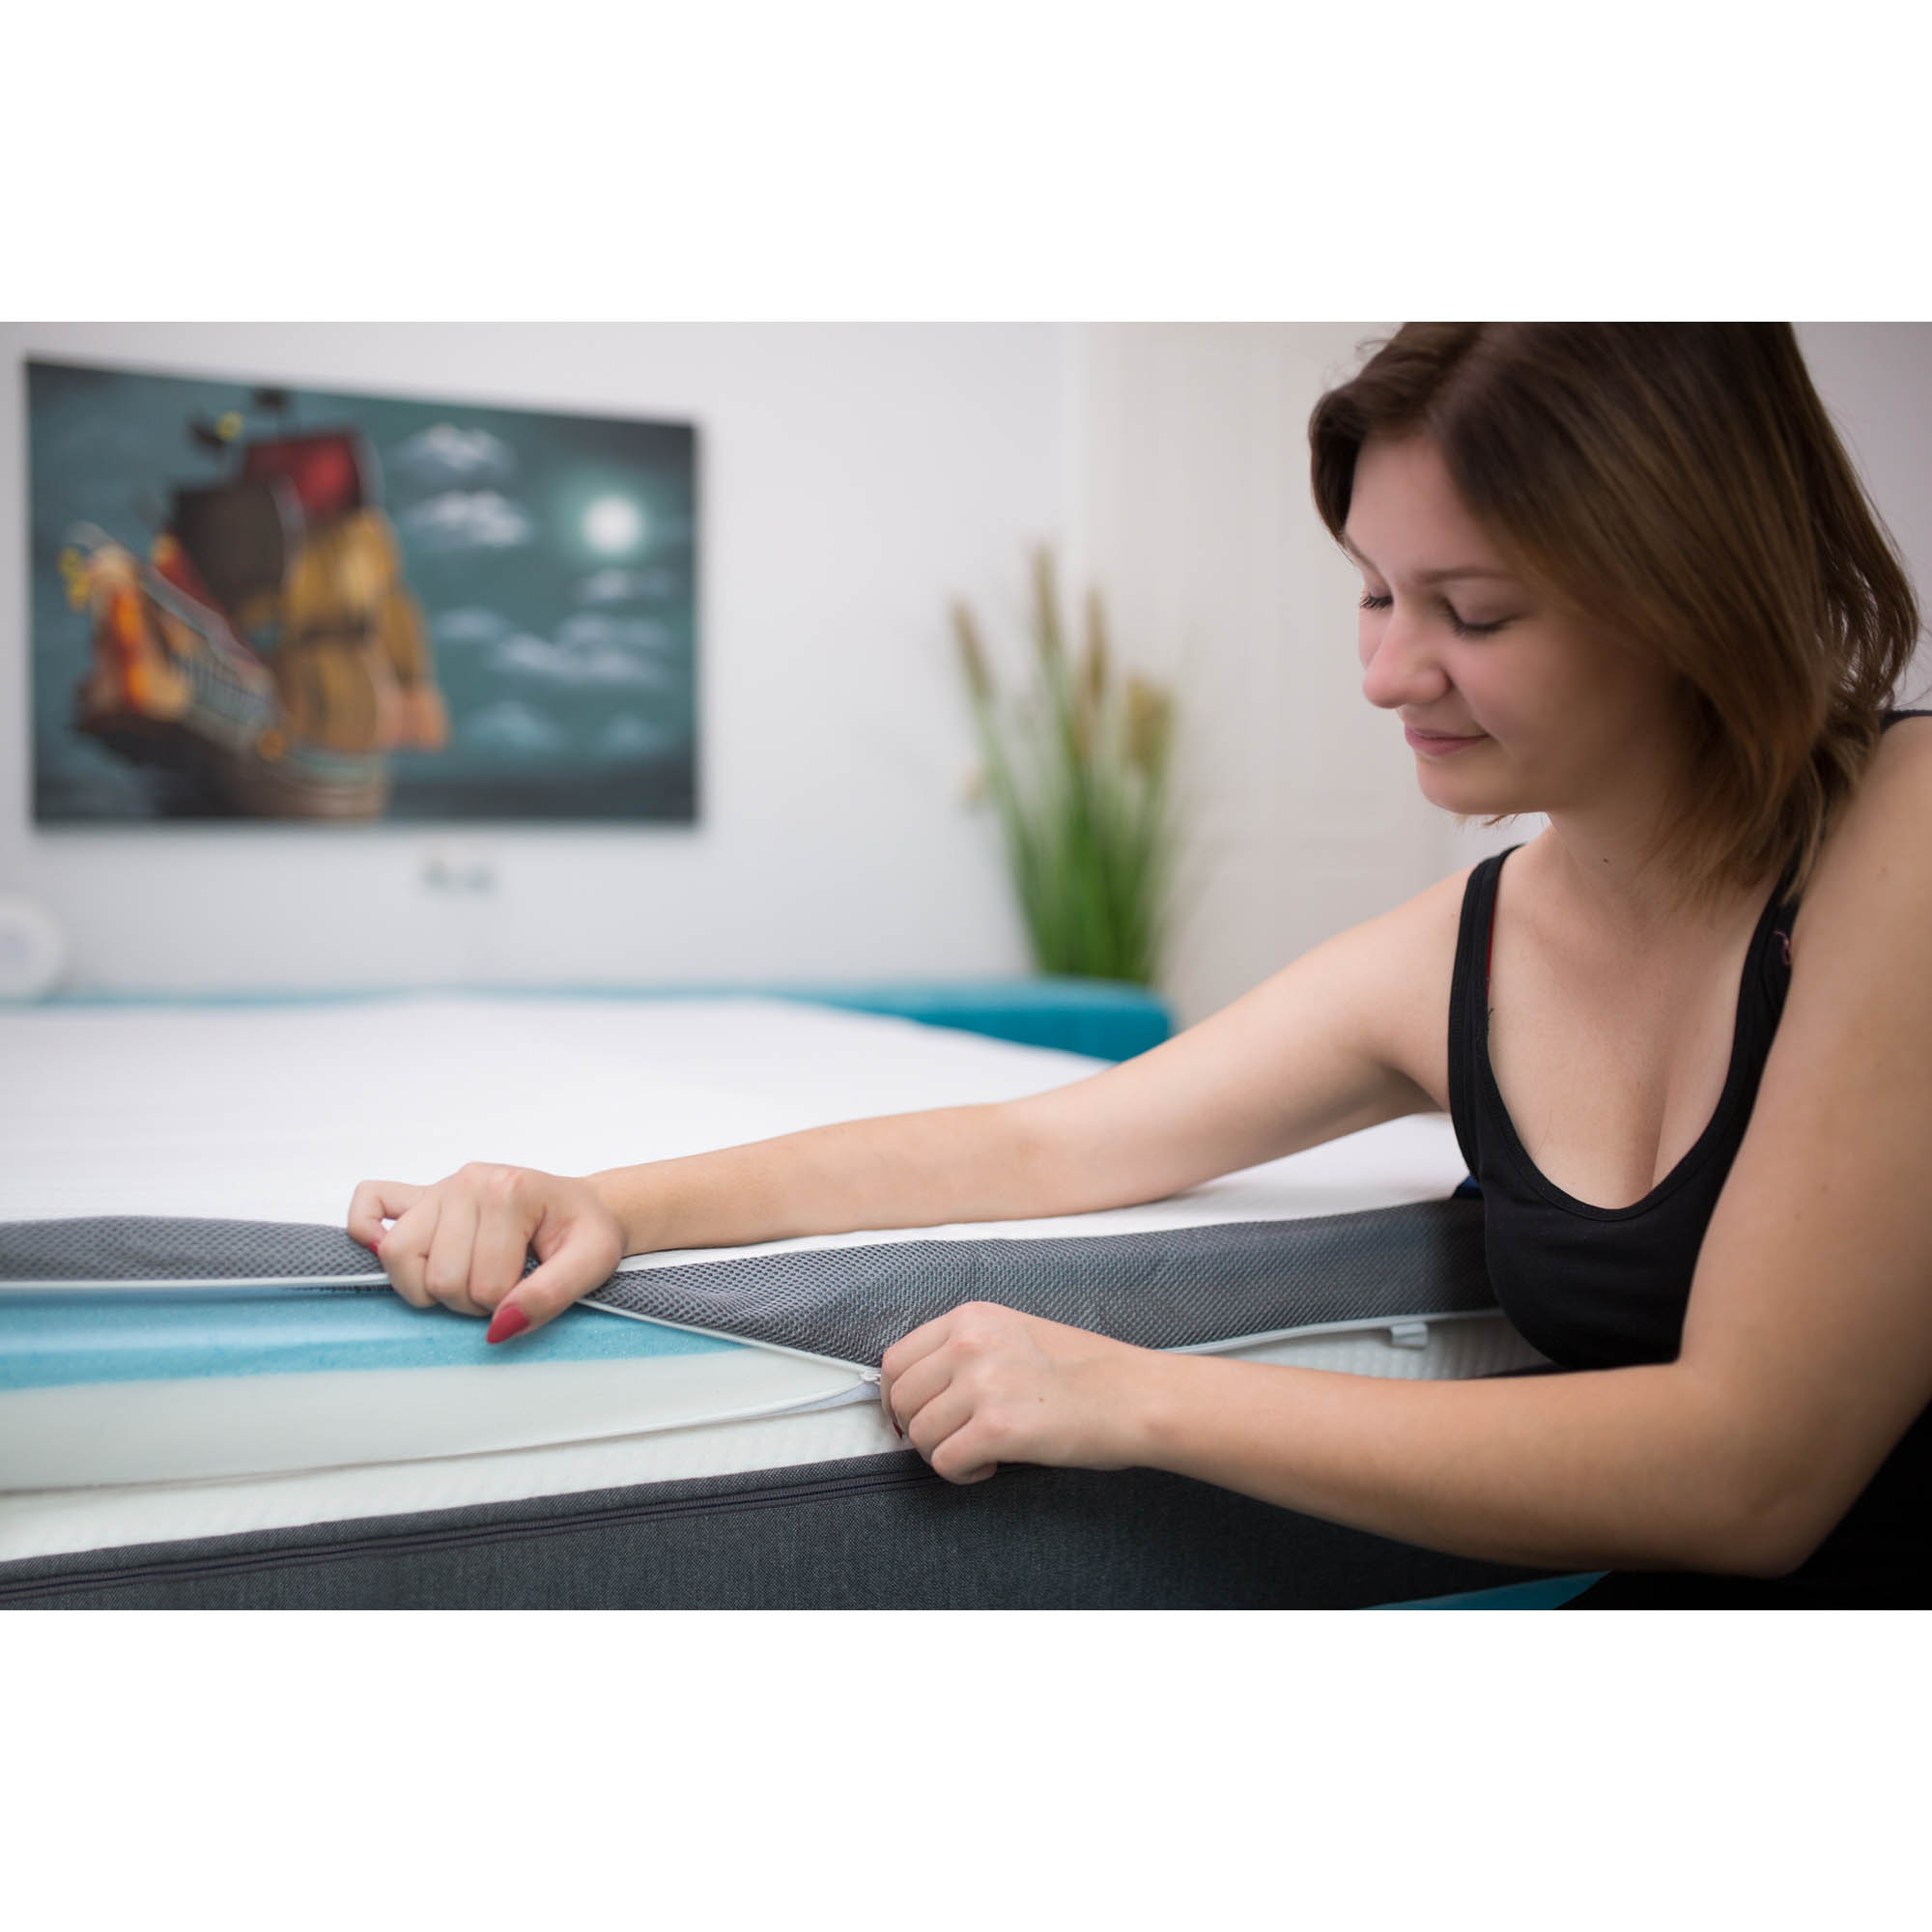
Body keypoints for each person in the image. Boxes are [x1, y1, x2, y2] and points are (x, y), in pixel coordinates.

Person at [348, 324, 1932, 1607]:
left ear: (1688, 588)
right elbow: (1050, 1140)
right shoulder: (1470, 946)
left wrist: (1132, 1396)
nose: (1387, 672)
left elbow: (1752, 1474)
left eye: (1473, 612)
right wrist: (613, 1204)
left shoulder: (1905, 836)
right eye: (1375, 593)